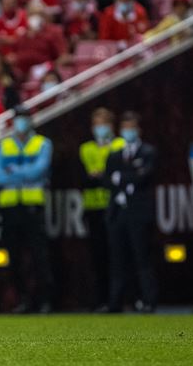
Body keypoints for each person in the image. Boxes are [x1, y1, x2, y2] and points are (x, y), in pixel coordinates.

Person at [0, 106, 54, 313]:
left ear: (31, 120)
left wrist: (13, 172)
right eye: (18, 119)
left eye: (24, 119)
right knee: (14, 257)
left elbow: (40, 171)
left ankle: (44, 300)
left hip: (33, 205)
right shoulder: (5, 144)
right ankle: (22, 300)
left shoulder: (43, 143)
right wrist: (26, 173)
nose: (21, 123)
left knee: (39, 255)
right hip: (9, 207)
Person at [104, 111, 157, 313]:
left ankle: (148, 300)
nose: (128, 132)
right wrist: (130, 175)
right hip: (118, 212)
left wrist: (121, 177)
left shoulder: (148, 151)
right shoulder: (115, 154)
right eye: (125, 128)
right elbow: (107, 180)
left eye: (132, 128)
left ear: (139, 129)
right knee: (117, 258)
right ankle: (116, 302)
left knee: (142, 257)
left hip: (139, 212)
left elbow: (144, 176)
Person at [78, 108, 125, 310]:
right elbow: (88, 175)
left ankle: (119, 300)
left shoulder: (120, 145)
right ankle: (101, 300)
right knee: (98, 256)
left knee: (118, 255)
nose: (100, 128)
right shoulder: (86, 148)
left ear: (112, 125)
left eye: (104, 123)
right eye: (97, 124)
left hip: (115, 207)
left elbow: (112, 175)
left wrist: (102, 176)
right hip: (93, 206)